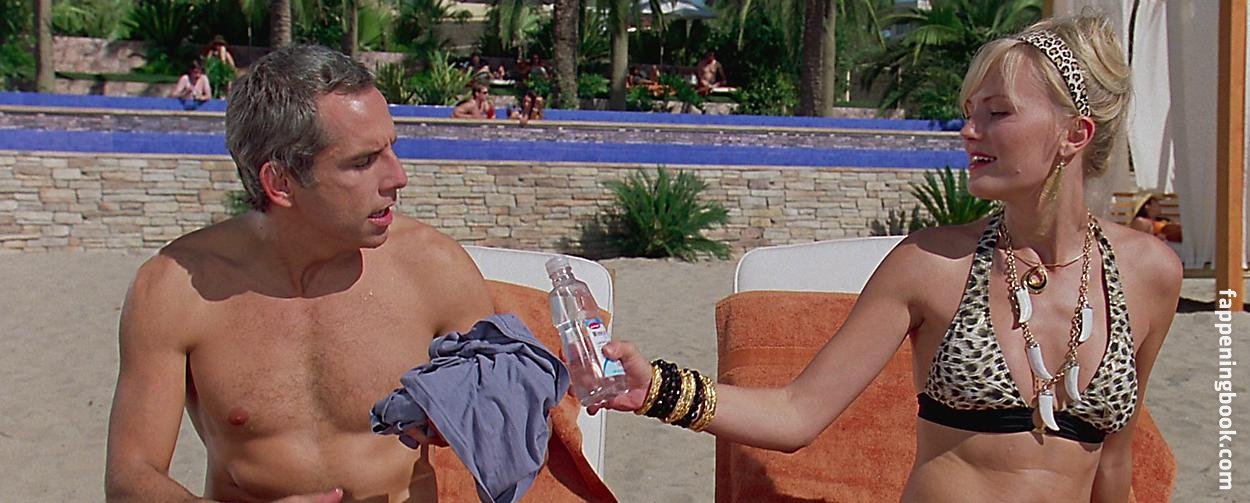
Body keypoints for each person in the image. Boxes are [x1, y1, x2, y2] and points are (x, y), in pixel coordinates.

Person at [599, 15, 1182, 502]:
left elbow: (1113, 465)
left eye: (997, 112)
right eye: (969, 110)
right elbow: (796, 413)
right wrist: (656, 390)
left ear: (1074, 134)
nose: (969, 130)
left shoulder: (1149, 275)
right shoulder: (932, 265)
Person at [105, 45, 498, 502]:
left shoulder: (434, 269)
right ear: (281, 182)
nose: (398, 177)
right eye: (362, 161)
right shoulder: (176, 290)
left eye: (392, 148)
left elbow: (511, 416)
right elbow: (130, 478)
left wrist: (477, 414)